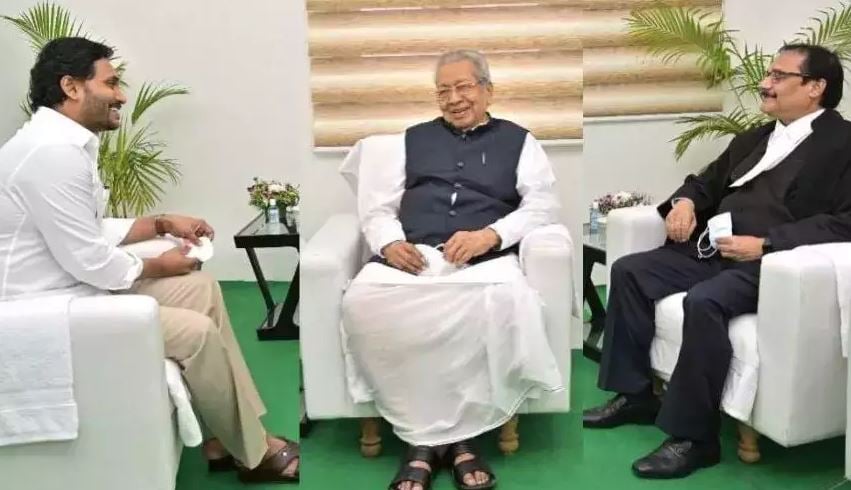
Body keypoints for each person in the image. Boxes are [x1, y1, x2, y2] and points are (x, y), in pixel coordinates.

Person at [0, 37, 298, 484]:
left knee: (199, 288)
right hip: (45, 308)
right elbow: (89, 259)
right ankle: (254, 455)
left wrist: (160, 225)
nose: (121, 95)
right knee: (195, 333)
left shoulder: (60, 143)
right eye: (111, 83)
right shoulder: (51, 154)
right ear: (72, 86)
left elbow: (88, 228)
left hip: (74, 286)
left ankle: (226, 435)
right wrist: (159, 265)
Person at [583, 43, 851, 479]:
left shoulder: (844, 144)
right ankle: (635, 396)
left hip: (773, 263)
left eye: (780, 76)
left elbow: (845, 223)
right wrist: (686, 203)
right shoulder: (754, 137)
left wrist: (766, 243)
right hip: (712, 249)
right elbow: (704, 181)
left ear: (816, 87)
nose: (766, 84)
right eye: (769, 73)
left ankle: (695, 438)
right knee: (629, 271)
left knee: (704, 302)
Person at [340, 49, 565, 490]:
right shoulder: (411, 139)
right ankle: (423, 439)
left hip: (482, 261)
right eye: (444, 90)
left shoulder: (521, 140)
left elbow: (542, 205)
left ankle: (461, 441)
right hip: (413, 256)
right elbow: (378, 207)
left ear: (487, 90)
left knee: (505, 303)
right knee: (362, 302)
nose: (454, 98)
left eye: (463, 87)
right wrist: (390, 242)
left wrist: (491, 235)